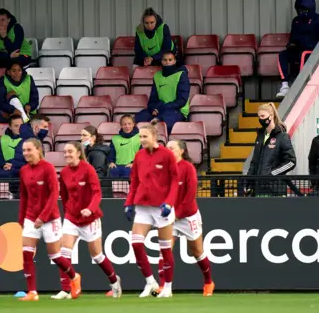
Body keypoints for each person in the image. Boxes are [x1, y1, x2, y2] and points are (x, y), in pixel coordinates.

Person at [54, 141, 122, 300]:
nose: (67, 155)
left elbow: (97, 193)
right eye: (65, 152)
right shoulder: (64, 172)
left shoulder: (88, 169)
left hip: (90, 218)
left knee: (97, 255)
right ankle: (66, 289)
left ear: (78, 153)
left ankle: (114, 281)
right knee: (64, 252)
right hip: (72, 217)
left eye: (70, 151)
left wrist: (90, 209)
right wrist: (68, 211)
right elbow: (64, 195)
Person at [19, 138, 82, 301]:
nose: (26, 153)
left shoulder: (48, 168)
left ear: (38, 150)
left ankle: (73, 278)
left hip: (50, 218)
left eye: (29, 150)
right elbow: (24, 197)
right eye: (24, 150)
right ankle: (32, 292)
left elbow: (55, 194)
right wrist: (21, 220)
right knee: (26, 254)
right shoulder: (24, 170)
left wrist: (43, 217)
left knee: (55, 256)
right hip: (30, 218)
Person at [124, 124, 179, 298]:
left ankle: (168, 287)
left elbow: (175, 181)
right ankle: (150, 282)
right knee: (136, 243)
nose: (141, 140)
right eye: (140, 137)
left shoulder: (167, 155)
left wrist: (169, 203)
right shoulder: (139, 155)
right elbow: (134, 181)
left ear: (154, 137)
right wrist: (129, 203)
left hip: (162, 207)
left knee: (165, 249)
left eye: (144, 137)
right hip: (142, 207)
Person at [155, 140, 214, 296]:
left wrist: (178, 213)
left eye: (171, 148)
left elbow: (190, 194)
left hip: (188, 216)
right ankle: (163, 286)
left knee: (197, 251)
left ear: (181, 150)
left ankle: (208, 282)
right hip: (170, 217)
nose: (167, 150)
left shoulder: (188, 168)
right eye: (166, 148)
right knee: (164, 251)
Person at [276, 0, 319, 98]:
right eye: (300, 10)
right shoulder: (296, 21)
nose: (302, 13)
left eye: (304, 10)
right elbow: (293, 37)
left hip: (313, 51)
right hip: (298, 49)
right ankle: (285, 86)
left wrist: (306, 44)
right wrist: (291, 45)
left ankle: (300, 86)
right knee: (283, 55)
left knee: (303, 54)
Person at [244, 103, 298, 197]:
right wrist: (248, 182)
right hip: (258, 190)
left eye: (263, 116)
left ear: (271, 115)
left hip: (275, 190)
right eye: (259, 116)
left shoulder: (282, 136)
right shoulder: (260, 136)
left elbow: (291, 161)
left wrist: (272, 174)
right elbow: (254, 162)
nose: (260, 119)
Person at [135, 51, 189, 135]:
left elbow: (182, 101)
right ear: (161, 61)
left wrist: (161, 108)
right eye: (165, 60)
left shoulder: (182, 75)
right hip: (159, 108)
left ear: (175, 61)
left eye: (170, 60)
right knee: (138, 118)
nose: (167, 62)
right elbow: (152, 99)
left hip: (177, 110)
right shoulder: (157, 76)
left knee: (159, 122)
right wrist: (153, 108)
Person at [108, 115, 141, 179]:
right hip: (117, 166)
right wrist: (111, 162)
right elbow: (111, 153)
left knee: (127, 171)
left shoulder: (140, 137)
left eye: (129, 124)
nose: (127, 126)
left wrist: (133, 163)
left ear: (133, 124)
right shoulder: (115, 139)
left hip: (134, 166)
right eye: (124, 124)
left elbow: (142, 153)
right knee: (113, 171)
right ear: (121, 125)